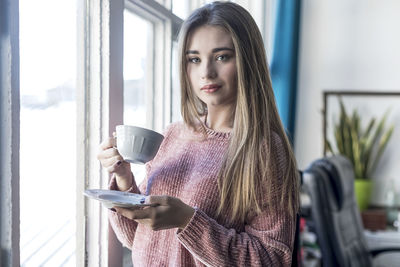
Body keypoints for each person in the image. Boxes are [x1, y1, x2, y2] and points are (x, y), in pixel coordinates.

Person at [97, 1, 300, 266]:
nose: (206, 72)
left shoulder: (264, 149)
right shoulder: (173, 135)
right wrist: (124, 181)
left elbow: (271, 259)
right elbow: (139, 239)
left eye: (222, 56)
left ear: (248, 61)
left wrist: (187, 221)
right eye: (194, 59)